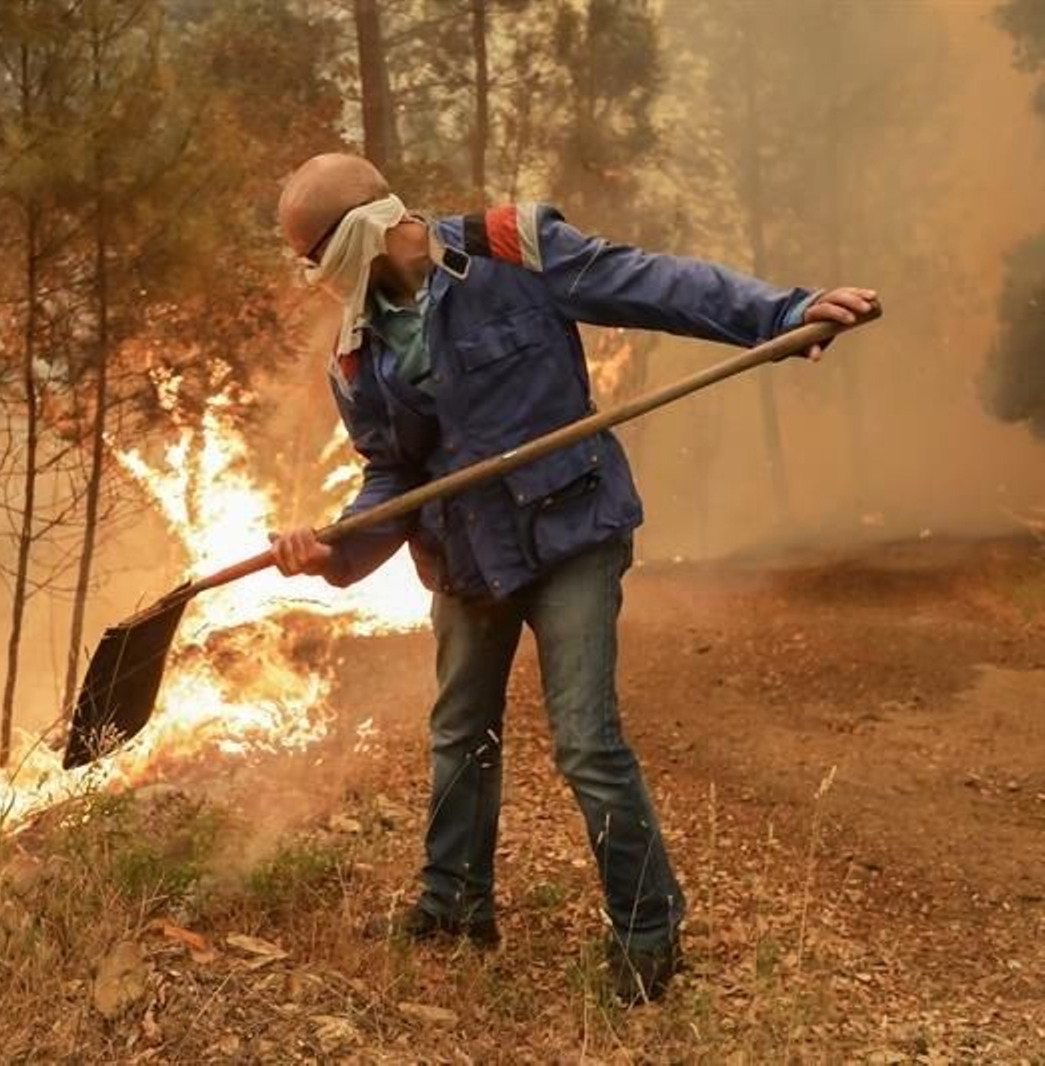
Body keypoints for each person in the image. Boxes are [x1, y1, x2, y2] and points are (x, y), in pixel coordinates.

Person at [268, 152, 877, 1005]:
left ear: (363, 227)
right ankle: (454, 908)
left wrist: (782, 313)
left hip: (569, 533)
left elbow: (654, 284)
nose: (310, 275)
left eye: (311, 253)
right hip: (466, 558)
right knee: (459, 736)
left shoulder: (512, 248)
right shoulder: (356, 353)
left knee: (587, 740)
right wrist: (332, 555)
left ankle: (647, 934)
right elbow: (391, 481)